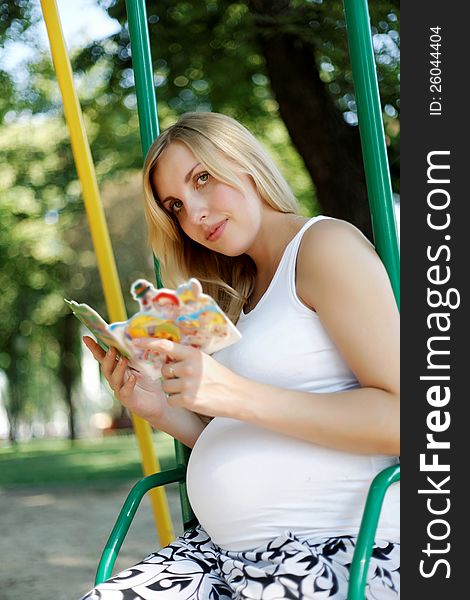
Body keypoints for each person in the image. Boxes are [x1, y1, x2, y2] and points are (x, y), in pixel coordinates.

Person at [80, 112, 400, 599]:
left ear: (245, 161)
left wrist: (234, 393)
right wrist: (162, 410)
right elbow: (247, 424)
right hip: (221, 557)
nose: (194, 215)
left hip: (332, 551)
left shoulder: (324, 247)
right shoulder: (238, 294)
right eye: (176, 206)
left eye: (202, 179)